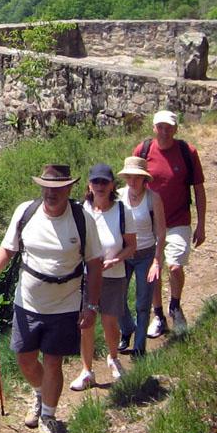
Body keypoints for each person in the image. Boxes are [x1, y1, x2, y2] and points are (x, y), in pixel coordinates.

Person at [0, 164, 102, 433]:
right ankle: (39, 392)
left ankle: (48, 415)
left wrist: (91, 306)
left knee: (53, 362)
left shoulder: (83, 219)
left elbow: (95, 265)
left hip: (66, 304)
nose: (51, 192)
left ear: (69, 189)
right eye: (47, 187)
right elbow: (8, 248)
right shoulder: (26, 212)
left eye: (58, 188)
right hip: (28, 302)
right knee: (24, 359)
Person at [134, 110, 206, 336]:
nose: (164, 132)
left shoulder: (187, 152)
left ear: (175, 129)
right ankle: (158, 315)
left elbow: (199, 188)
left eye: (169, 127)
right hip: (150, 222)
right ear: (154, 128)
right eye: (160, 127)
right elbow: (132, 183)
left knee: (175, 266)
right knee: (153, 270)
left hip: (178, 219)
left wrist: (201, 223)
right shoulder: (143, 151)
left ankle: (175, 307)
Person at [69, 164, 137, 391]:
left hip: (114, 275)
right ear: (89, 185)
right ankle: (87, 371)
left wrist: (116, 261)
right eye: (95, 182)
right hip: (86, 276)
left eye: (104, 182)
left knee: (110, 320)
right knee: (86, 324)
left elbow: (131, 246)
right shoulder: (81, 211)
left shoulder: (122, 211)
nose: (99, 186)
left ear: (112, 186)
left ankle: (113, 358)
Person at [115, 156, 166, 356]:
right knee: (118, 298)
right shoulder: (118, 197)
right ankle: (127, 329)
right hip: (125, 252)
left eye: (136, 177)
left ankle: (139, 346)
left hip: (146, 253)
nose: (132, 181)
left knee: (143, 302)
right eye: (129, 177)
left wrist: (157, 261)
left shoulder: (153, 199)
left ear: (144, 179)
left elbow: (161, 231)